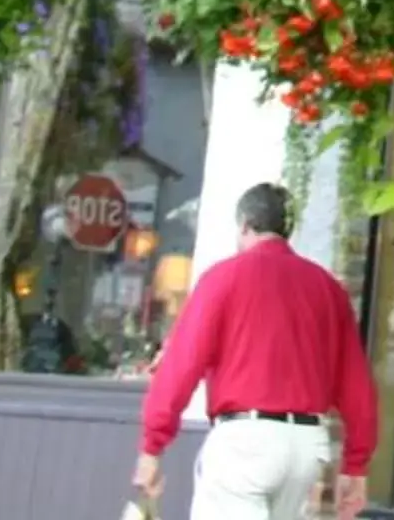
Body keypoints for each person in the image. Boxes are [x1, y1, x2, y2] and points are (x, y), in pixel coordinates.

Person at [136, 182, 378, 520]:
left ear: (246, 225)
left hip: (245, 441)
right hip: (305, 446)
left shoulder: (223, 278)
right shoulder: (327, 289)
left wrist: (152, 447)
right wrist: (357, 465)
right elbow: (356, 383)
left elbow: (182, 364)